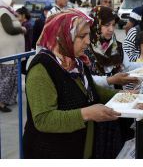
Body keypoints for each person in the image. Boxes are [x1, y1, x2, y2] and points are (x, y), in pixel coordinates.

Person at [23, 9, 121, 158]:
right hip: (51, 152)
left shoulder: (76, 62)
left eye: (88, 34)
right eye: (82, 36)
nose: (88, 41)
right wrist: (86, 113)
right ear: (62, 36)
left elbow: (92, 91)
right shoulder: (41, 69)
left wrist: (124, 96)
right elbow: (43, 119)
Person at [87, 5, 140, 89]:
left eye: (113, 25)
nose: (111, 29)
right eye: (107, 25)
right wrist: (111, 80)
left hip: (117, 98)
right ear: (95, 25)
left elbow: (127, 65)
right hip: (97, 100)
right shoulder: (85, 49)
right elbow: (85, 80)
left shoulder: (117, 46)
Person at [0, 0, 24, 112]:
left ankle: (9, 99)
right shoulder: (3, 12)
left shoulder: (7, 11)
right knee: (7, 78)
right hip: (7, 52)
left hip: (12, 52)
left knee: (12, 77)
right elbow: (9, 29)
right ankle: (1, 102)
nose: (14, 2)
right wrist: (21, 28)